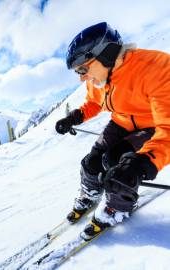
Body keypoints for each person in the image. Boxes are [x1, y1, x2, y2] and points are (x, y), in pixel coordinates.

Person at [55, 22, 170, 240]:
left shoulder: (156, 68)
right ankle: (91, 192)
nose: (81, 77)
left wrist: (144, 163)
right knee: (92, 161)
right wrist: (73, 118)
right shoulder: (98, 78)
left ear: (106, 54)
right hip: (121, 122)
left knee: (120, 165)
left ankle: (116, 207)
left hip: (153, 125)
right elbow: (94, 102)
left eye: (83, 69)